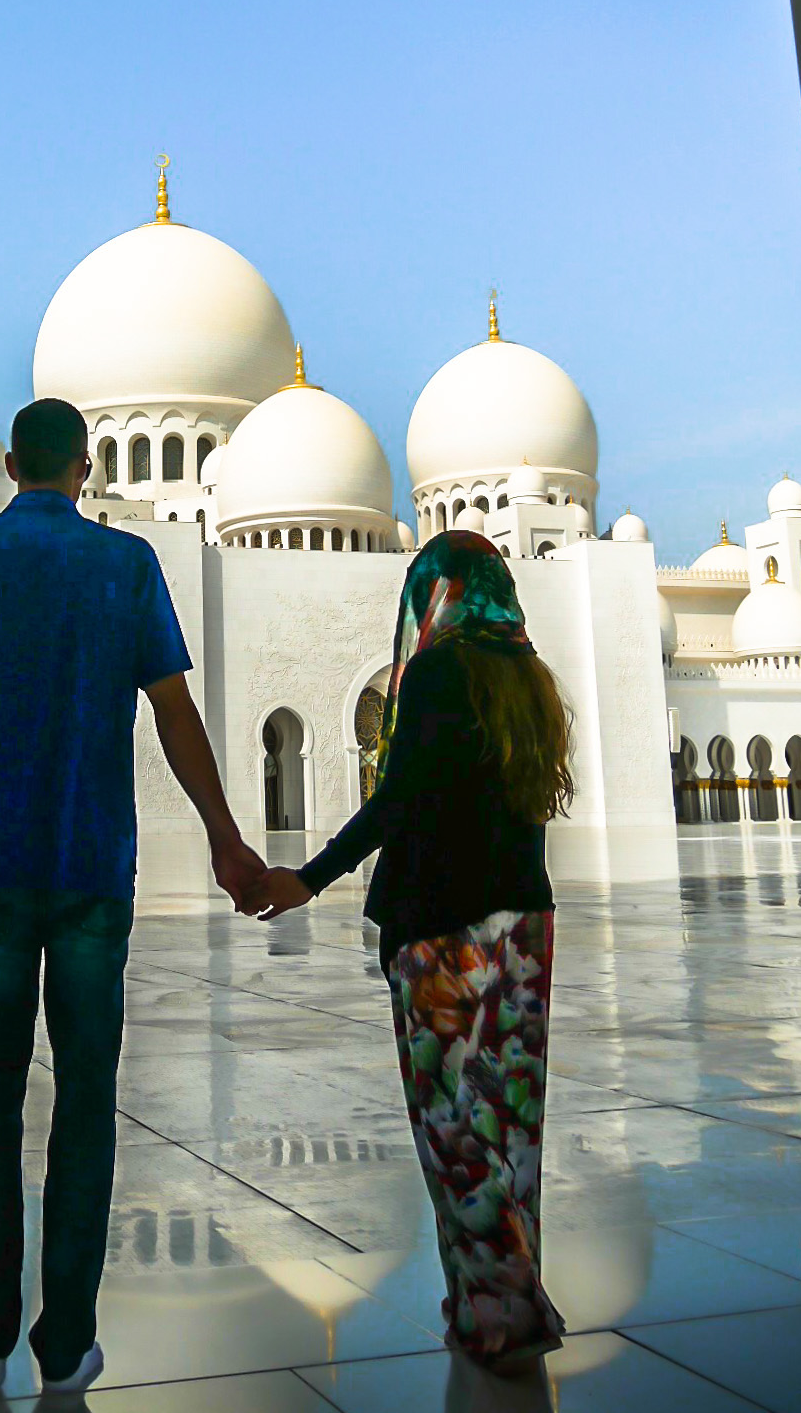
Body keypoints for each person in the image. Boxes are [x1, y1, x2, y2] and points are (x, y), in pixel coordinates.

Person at [0, 397, 265, 1397]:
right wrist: (228, 842)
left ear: (13, 463)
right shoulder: (125, 566)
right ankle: (66, 1351)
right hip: (95, 875)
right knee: (89, 1106)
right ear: (86, 466)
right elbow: (175, 712)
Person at [245, 530, 570, 1374]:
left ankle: (498, 1310)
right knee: (509, 1122)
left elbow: (400, 801)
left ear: (436, 595)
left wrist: (309, 879)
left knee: (451, 1123)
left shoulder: (434, 673)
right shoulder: (527, 676)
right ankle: (506, 1297)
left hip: (442, 934)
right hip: (525, 930)